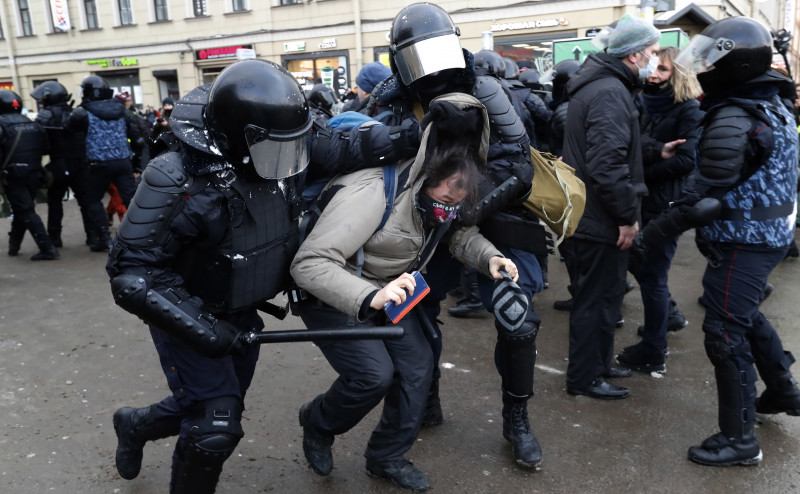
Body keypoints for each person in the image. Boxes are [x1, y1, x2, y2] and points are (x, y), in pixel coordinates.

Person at [105, 59, 422, 494]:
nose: (291, 162)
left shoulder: (287, 139)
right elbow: (132, 274)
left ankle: (136, 424)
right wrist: (208, 332)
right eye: (279, 150)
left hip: (241, 313)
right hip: (189, 313)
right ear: (242, 137)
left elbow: (347, 148)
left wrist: (411, 136)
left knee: (218, 403)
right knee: (215, 427)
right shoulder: (177, 178)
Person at [291, 93, 519, 492]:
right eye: (446, 200)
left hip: (393, 290)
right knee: (373, 375)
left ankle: (386, 457)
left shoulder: (439, 200)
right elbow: (309, 264)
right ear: (425, 176)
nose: (450, 210)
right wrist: (370, 297)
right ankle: (318, 421)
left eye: (458, 203)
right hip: (335, 292)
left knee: (418, 368)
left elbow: (458, 232)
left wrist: (490, 257)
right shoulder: (373, 191)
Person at [362, 2, 547, 469]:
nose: (430, 67)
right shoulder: (392, 100)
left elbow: (518, 167)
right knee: (412, 312)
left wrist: (462, 209)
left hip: (490, 219)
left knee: (517, 318)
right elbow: (377, 167)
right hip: (419, 227)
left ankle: (517, 419)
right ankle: (425, 398)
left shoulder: (484, 88)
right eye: (416, 57)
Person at [636, 17, 800, 466]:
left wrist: (647, 238)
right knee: (740, 313)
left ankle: (740, 441)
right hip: (764, 235)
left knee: (724, 332)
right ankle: (784, 390)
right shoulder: (771, 102)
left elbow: (700, 197)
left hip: (748, 238)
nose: (703, 66)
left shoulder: (734, 115)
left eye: (712, 58)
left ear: (736, 64)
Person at [562, 13, 660, 400]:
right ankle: (585, 378)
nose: (655, 59)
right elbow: (607, 165)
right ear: (634, 56)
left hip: (594, 214)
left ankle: (598, 365)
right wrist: (626, 217)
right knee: (595, 300)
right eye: (652, 52)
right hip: (601, 218)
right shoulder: (609, 92)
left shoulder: (605, 87)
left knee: (605, 298)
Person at [616, 46, 703, 374]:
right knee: (642, 266)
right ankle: (669, 317)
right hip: (645, 199)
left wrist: (638, 172)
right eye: (654, 66)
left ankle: (654, 348)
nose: (654, 73)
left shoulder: (689, 109)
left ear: (679, 74)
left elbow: (685, 160)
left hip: (666, 204)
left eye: (663, 70)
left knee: (652, 275)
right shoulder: (645, 100)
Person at [66, 75, 142, 252]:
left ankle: (105, 239)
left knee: (93, 200)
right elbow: (138, 140)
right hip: (123, 162)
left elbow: (69, 129)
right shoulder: (122, 110)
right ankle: (140, 237)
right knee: (132, 200)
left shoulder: (82, 111)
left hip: (97, 164)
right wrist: (136, 163)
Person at [30, 80, 93, 249]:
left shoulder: (45, 116)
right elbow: (87, 136)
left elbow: (41, 144)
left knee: (54, 203)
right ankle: (93, 237)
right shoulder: (76, 113)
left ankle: (55, 238)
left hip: (59, 164)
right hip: (80, 164)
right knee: (86, 202)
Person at [0, 89, 58, 260]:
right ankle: (14, 245)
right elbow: (46, 147)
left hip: (13, 175)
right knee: (22, 209)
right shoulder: (33, 123)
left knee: (25, 210)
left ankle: (48, 248)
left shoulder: (1, 125)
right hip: (35, 173)